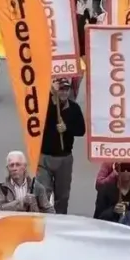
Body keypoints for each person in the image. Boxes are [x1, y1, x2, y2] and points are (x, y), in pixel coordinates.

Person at [36, 79, 86, 214]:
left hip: (64, 158)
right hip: (44, 157)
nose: (64, 92)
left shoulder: (74, 108)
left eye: (66, 89)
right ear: (55, 91)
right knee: (42, 192)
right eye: (61, 89)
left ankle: (60, 220)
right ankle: (43, 221)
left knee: (62, 196)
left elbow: (81, 130)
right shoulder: (45, 106)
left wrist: (67, 128)